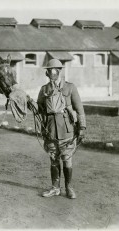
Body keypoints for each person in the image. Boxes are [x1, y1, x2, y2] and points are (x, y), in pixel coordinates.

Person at [37, 58, 86, 199]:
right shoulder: (44, 89)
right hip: (51, 130)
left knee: (67, 159)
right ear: (47, 72)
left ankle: (69, 188)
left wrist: (82, 127)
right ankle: (55, 188)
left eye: (54, 70)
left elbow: (80, 109)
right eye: (49, 70)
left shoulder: (70, 87)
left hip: (67, 129)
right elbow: (40, 109)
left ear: (59, 71)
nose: (51, 73)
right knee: (53, 159)